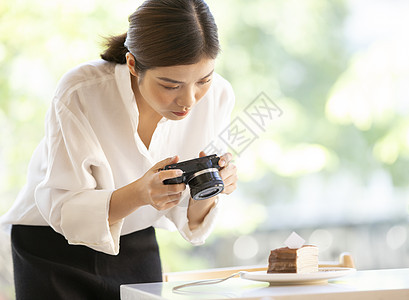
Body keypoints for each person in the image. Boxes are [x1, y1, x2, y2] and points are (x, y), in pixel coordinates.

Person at [0, 0, 237, 299]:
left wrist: (213, 186)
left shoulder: (218, 98)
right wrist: (140, 193)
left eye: (203, 80)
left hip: (135, 240)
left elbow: (189, 216)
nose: (188, 100)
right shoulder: (81, 91)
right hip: (50, 247)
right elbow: (63, 208)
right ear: (133, 64)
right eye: (170, 85)